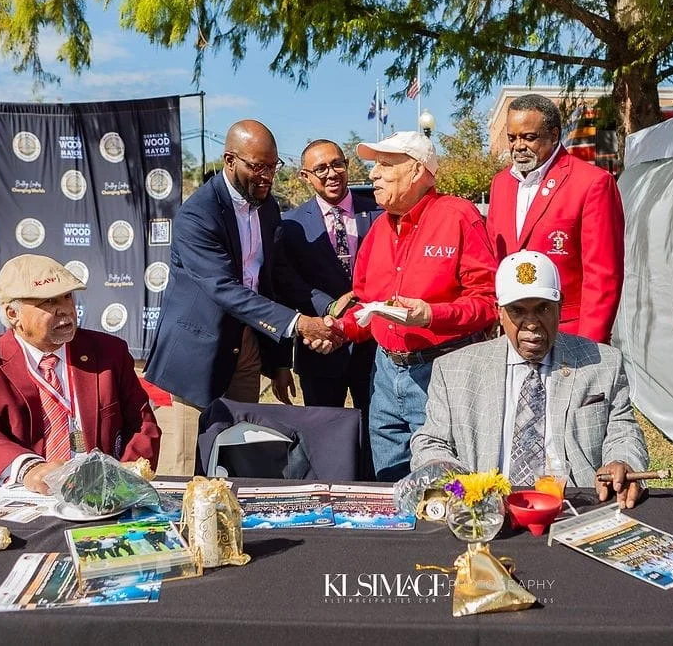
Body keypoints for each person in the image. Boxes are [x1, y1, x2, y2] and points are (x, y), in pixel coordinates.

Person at [144, 120, 340, 476]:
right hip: (197, 352)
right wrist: (297, 325)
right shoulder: (197, 215)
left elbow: (272, 281)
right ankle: (182, 529)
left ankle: (236, 527)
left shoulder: (267, 207)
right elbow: (225, 289)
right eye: (259, 166)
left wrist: (281, 359)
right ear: (230, 160)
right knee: (188, 462)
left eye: (274, 166)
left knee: (238, 447)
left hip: (247, 344)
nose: (268, 177)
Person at [320, 131, 498, 482]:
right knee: (390, 485)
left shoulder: (459, 216)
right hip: (384, 373)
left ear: (417, 171)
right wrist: (339, 330)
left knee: (445, 485)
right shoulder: (378, 230)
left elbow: (489, 302)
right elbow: (365, 304)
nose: (373, 175)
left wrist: (431, 315)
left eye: (385, 165)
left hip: (440, 372)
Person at [411, 251, 650, 508]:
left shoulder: (603, 363)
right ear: (499, 313)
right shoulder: (454, 370)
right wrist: (458, 483)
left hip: (578, 504)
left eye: (542, 308)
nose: (532, 323)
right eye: (517, 311)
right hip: (487, 507)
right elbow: (430, 442)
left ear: (560, 308)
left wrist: (623, 462)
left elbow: (623, 431)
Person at [0, 254, 161, 496]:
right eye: (48, 302)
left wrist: (122, 480)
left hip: (101, 495)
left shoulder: (109, 353)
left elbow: (142, 425)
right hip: (18, 493)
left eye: (67, 297)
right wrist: (30, 470)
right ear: (12, 314)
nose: (65, 310)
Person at [275, 139, 383, 478]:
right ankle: (327, 498)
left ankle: (374, 494)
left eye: (337, 164)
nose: (331, 173)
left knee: (376, 431)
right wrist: (332, 307)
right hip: (318, 346)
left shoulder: (379, 214)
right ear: (306, 176)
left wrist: (360, 305)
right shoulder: (291, 224)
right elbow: (286, 280)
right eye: (320, 168)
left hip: (373, 346)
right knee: (322, 434)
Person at [486, 94, 625, 344]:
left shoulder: (592, 183)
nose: (518, 145)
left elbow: (603, 276)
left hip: (567, 334)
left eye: (529, 137)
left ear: (553, 134)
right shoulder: (500, 184)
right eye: (511, 138)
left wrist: (589, 345)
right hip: (513, 334)